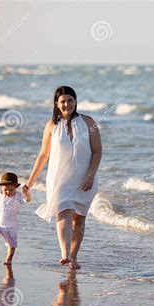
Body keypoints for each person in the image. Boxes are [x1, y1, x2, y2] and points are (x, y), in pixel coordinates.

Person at [23, 86, 102, 270]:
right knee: (63, 211)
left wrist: (90, 175)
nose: (67, 104)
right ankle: (65, 254)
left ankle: (73, 257)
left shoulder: (89, 122)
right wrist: (29, 183)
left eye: (70, 100)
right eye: (63, 101)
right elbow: (43, 155)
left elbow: (97, 153)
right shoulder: (51, 126)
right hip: (59, 178)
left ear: (75, 101)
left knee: (79, 219)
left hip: (85, 178)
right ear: (57, 104)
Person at [0, 172, 31, 265]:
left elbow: (27, 200)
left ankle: (8, 259)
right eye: (5, 189)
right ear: (1, 188)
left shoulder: (18, 196)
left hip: (11, 226)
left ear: (16, 188)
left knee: (12, 244)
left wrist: (26, 193)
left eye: (11, 189)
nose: (8, 192)